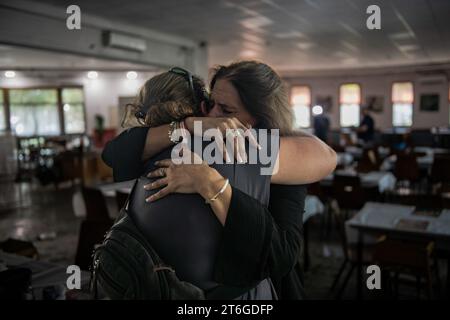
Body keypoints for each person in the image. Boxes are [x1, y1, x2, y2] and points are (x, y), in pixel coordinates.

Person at [102, 61, 337, 299]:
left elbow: (281, 255)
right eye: (211, 104)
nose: (213, 116)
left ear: (259, 118)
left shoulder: (261, 150)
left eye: (226, 110)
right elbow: (115, 152)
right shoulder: (193, 138)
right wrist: (188, 124)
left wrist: (209, 181)